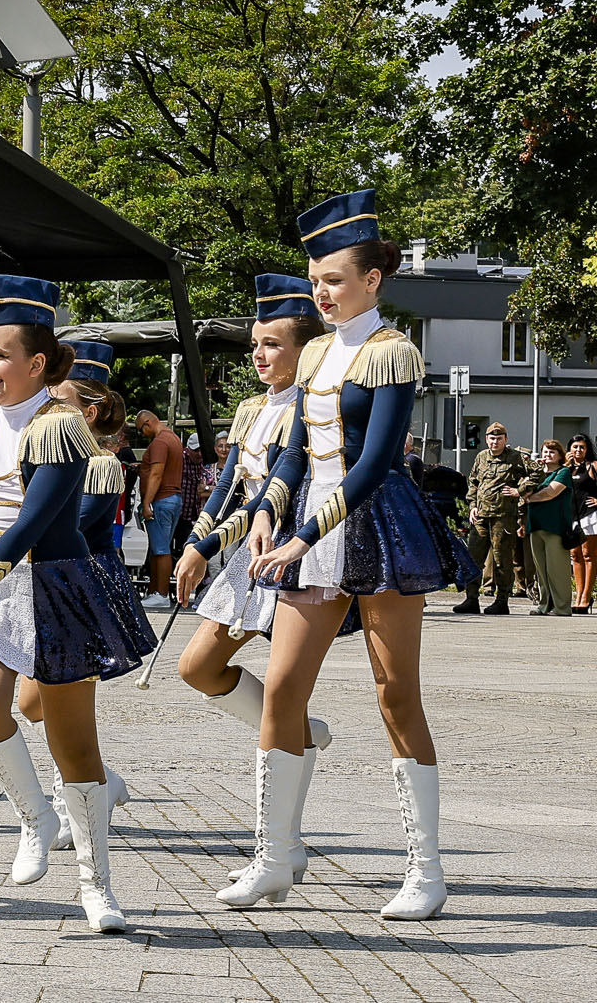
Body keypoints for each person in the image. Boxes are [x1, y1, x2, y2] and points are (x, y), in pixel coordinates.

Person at [240, 188, 479, 920]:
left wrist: (302, 534)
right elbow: (292, 451)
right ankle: (274, 856)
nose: (323, 291)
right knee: (282, 689)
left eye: (336, 279)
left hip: (378, 528)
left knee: (394, 692)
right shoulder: (313, 350)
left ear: (374, 279)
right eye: (316, 280)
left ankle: (426, 867)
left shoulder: (392, 351)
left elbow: (374, 463)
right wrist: (264, 512)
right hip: (308, 531)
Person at [0, 275, 152, 934]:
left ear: (37, 363)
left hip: (55, 584)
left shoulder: (62, 427)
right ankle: (33, 815)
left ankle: (96, 884)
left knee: (77, 748)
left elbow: (32, 526)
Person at [169, 279, 335, 888]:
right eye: (254, 345)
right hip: (248, 554)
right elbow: (230, 486)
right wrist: (197, 542)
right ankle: (300, 732)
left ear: (305, 348)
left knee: (284, 693)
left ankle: (283, 846)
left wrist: (212, 542)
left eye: (271, 345)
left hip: (298, 549)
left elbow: (274, 493)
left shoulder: (314, 402)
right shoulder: (250, 409)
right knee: (197, 667)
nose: (258, 356)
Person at [19, 340, 145, 851]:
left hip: (84, 590)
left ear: (88, 411)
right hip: (52, 584)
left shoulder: (101, 463)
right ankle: (100, 779)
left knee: (55, 698)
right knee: (33, 704)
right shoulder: (48, 450)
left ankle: (76, 798)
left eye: (59, 395)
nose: (47, 402)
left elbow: (71, 522)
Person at [463, 423, 529, 614]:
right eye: (492, 438)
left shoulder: (516, 458)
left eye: (499, 438)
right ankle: (471, 599)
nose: (495, 442)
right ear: (486, 439)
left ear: (505, 440)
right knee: (474, 557)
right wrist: (472, 506)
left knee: (502, 559)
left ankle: (502, 601)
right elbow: (473, 482)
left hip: (503, 517)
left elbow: (537, 474)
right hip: (481, 516)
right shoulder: (481, 457)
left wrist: (519, 491)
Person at [134, 408, 185, 607]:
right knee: (158, 547)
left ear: (147, 423)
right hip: (171, 499)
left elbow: (156, 474)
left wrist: (146, 502)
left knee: (161, 549)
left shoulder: (159, 443)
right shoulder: (173, 438)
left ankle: (161, 594)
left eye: (140, 430)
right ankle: (155, 590)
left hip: (161, 500)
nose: (141, 434)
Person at [518, 440, 575, 617]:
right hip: (535, 525)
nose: (547, 455)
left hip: (555, 526)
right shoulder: (537, 474)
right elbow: (522, 489)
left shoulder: (563, 472)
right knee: (540, 570)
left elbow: (551, 492)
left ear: (559, 455)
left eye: (552, 452)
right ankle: (544, 605)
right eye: (545, 452)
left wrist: (530, 498)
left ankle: (562, 607)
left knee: (557, 569)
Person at [567, 433, 597, 614]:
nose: (578, 450)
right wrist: (564, 466)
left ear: (587, 450)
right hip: (571, 516)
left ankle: (586, 596)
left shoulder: (593, 466)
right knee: (575, 555)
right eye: (575, 447)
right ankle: (578, 595)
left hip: (590, 515)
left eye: (582, 447)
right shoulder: (566, 468)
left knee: (588, 555)